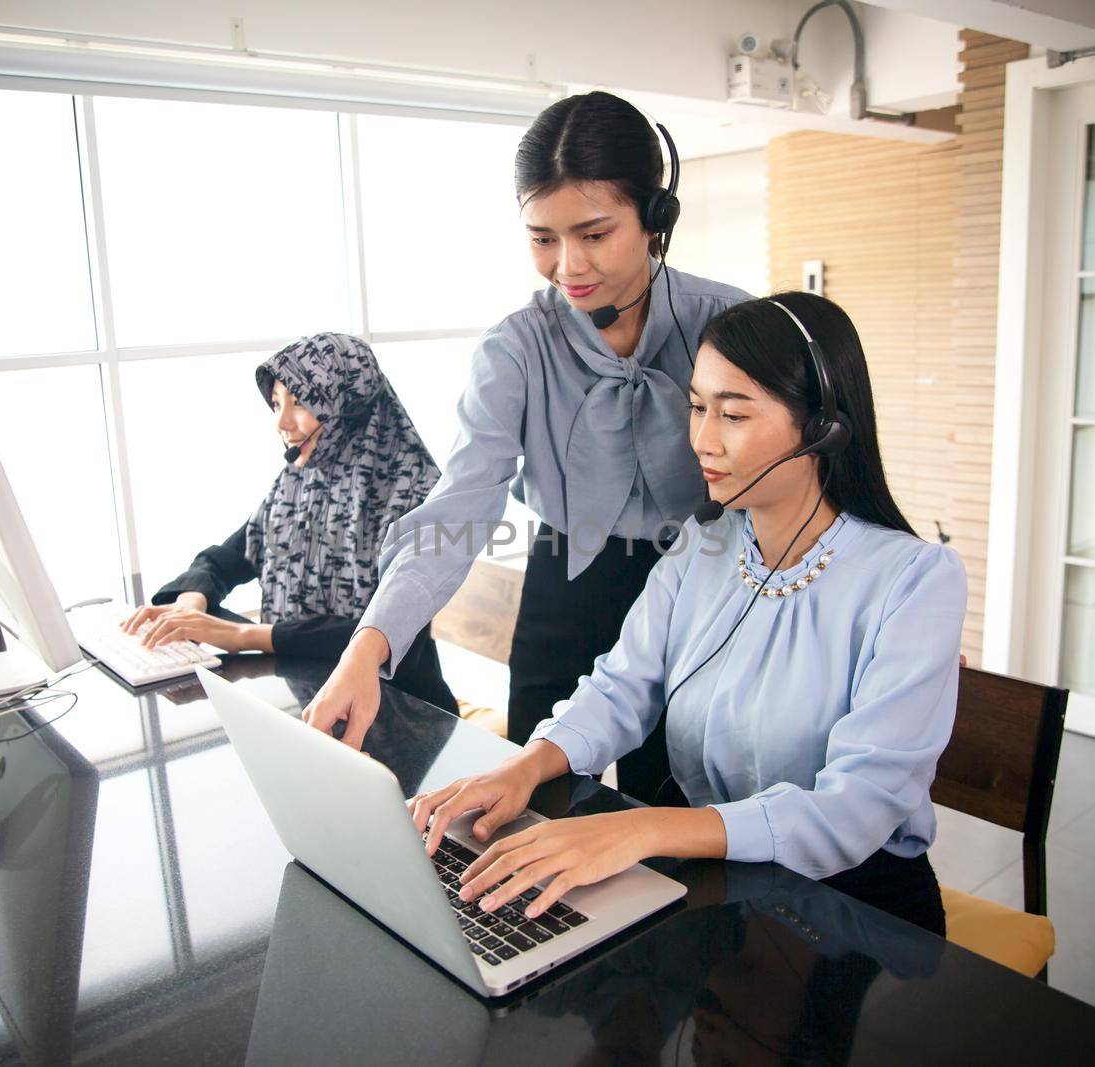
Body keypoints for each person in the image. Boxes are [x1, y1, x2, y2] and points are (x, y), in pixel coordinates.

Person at [408, 293, 966, 935]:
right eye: (697, 407)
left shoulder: (915, 581)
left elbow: (856, 811)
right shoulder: (703, 544)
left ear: (822, 427)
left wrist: (639, 829)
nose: (701, 439)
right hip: (723, 882)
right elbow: (622, 687)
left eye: (732, 414)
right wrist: (525, 766)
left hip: (854, 910)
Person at [303, 92, 751, 803]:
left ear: (655, 218)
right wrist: (369, 644)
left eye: (595, 233)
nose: (567, 264)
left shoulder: (733, 325)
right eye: (543, 237)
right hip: (564, 581)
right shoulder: (516, 347)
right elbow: (464, 501)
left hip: (706, 585)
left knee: (671, 805)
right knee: (535, 803)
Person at [123, 332, 456, 711]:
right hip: (307, 690)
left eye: (299, 402)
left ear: (346, 403)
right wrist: (189, 603)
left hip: (402, 708)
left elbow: (380, 628)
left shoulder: (416, 492)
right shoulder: (302, 476)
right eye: (277, 402)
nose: (281, 422)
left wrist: (242, 635)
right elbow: (226, 559)